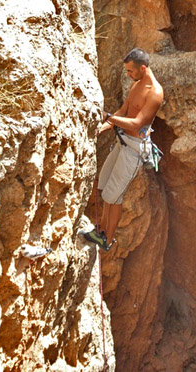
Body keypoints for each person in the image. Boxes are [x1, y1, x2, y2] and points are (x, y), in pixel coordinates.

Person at [82, 48, 164, 251]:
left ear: (142, 68)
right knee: (105, 186)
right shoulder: (136, 85)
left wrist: (107, 116)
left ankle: (107, 240)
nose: (128, 75)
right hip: (122, 142)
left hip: (134, 149)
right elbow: (124, 111)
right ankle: (100, 231)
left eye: (131, 71)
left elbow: (136, 123)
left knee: (114, 196)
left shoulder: (154, 92)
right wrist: (103, 127)